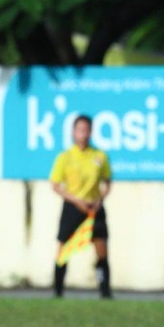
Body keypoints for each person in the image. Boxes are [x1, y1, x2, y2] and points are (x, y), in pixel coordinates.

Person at [50, 115, 112, 299]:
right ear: (73, 132)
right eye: (80, 130)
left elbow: (107, 182)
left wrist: (100, 199)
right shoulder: (65, 157)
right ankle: (58, 291)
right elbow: (55, 185)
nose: (83, 134)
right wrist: (76, 201)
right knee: (63, 249)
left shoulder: (99, 156)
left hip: (94, 208)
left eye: (86, 130)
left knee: (101, 249)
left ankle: (104, 291)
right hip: (73, 207)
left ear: (91, 132)